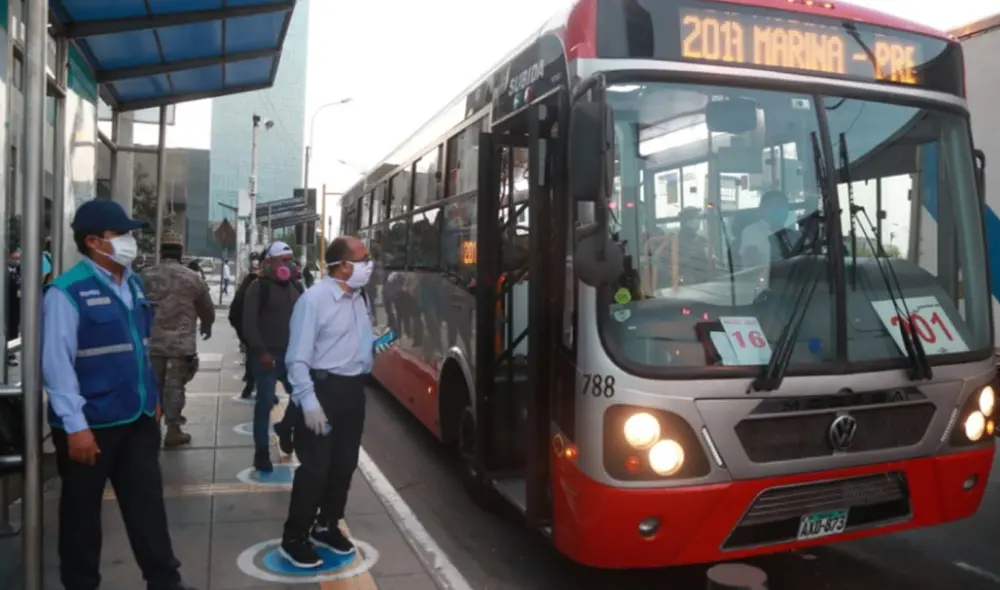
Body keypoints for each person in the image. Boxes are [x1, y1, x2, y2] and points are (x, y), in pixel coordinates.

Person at [42, 199, 196, 590]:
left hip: (137, 419)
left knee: (148, 509)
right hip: (91, 426)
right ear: (94, 241)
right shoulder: (66, 292)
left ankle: (165, 583)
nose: (131, 241)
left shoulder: (133, 284)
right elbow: (57, 367)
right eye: (121, 234)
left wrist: (152, 397)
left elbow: (139, 347)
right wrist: (75, 427)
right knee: (81, 520)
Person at [280, 236, 374, 568]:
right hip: (322, 392)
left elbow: (356, 343)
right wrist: (308, 403)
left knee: (343, 466)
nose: (369, 265)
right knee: (315, 470)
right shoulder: (314, 301)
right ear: (344, 266)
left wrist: (374, 349)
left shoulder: (359, 299)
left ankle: (326, 525)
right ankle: (294, 537)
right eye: (364, 259)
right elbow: (297, 359)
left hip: (352, 393)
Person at [142, 232, 215, 447]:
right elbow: (206, 308)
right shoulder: (192, 277)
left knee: (152, 385)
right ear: (181, 253)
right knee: (174, 385)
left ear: (160, 252)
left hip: (151, 343)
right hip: (181, 345)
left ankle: (150, 427)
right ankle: (173, 429)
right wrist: (207, 325)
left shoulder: (144, 276)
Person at [241, 242, 301, 473]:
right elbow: (249, 323)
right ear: (270, 263)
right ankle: (261, 454)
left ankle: (285, 428)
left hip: (292, 355)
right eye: (283, 259)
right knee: (264, 404)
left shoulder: (296, 287)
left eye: (291, 259)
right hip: (266, 356)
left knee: (302, 397)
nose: (289, 264)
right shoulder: (259, 286)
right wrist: (261, 351)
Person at [738, 189, 795, 268]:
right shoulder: (751, 232)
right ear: (762, 209)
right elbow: (752, 263)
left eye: (783, 206)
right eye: (774, 205)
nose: (779, 209)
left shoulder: (792, 234)